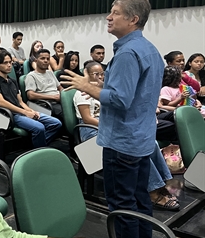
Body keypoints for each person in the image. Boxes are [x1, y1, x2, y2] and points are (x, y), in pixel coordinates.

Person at [62, 0, 164, 238]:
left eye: (115, 12)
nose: (108, 16)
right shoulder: (150, 50)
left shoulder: (128, 52)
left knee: (122, 205)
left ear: (133, 19)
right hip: (140, 140)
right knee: (140, 200)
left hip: (122, 143)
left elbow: (119, 99)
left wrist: (87, 87)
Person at [74, 62, 180, 211]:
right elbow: (87, 119)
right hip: (91, 131)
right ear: (87, 74)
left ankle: (164, 182)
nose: (99, 77)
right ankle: (153, 192)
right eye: (95, 74)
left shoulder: (105, 90)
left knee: (152, 143)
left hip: (110, 128)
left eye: (102, 74)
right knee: (134, 147)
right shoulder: (82, 92)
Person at [0, 51, 62, 148]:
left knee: (56, 123)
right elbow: (1, 102)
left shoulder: (12, 81)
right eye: (5, 63)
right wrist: (25, 112)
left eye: (10, 62)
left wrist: (31, 111)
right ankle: (39, 150)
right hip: (9, 115)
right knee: (39, 128)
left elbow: (20, 102)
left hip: (20, 111)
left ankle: (36, 147)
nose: (9, 65)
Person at [25, 48, 64, 120]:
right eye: (42, 58)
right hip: (46, 104)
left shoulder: (50, 73)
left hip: (59, 100)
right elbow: (30, 95)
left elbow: (60, 88)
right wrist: (53, 97)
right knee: (65, 113)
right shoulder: (31, 76)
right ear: (36, 61)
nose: (46, 61)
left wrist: (65, 96)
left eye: (47, 59)